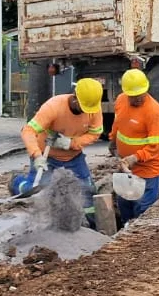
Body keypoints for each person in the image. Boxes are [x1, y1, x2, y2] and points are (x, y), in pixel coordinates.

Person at [20, 78, 104, 226]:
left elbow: (95, 133)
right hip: (47, 156)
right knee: (38, 190)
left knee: (87, 191)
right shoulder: (54, 107)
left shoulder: (92, 107)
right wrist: (36, 155)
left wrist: (72, 143)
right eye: (83, 107)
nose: (87, 112)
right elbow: (28, 131)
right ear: (75, 97)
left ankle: (91, 227)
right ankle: (17, 184)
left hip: (74, 157)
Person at [108, 69, 159, 225]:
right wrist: (113, 140)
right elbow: (118, 123)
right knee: (125, 205)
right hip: (127, 168)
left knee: (143, 210)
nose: (137, 99)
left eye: (140, 94)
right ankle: (125, 234)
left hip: (148, 169)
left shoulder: (154, 112)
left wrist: (135, 157)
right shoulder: (121, 100)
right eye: (133, 96)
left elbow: (157, 147)